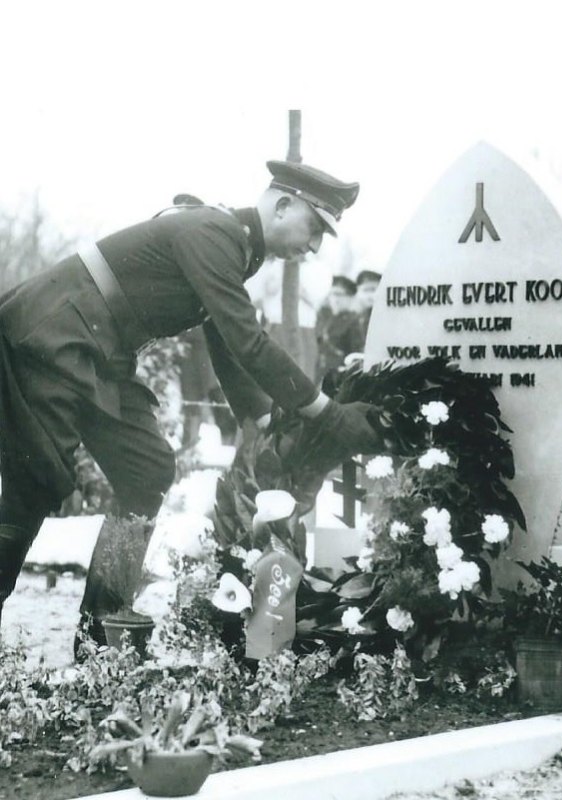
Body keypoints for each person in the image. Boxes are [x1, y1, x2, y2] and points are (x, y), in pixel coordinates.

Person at [0, 159, 382, 644]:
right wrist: (325, 412)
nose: (311, 248)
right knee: (34, 486)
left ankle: (102, 632)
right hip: (54, 334)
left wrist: (257, 416)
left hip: (100, 353)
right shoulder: (214, 231)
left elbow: (225, 342)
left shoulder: (236, 247)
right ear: (283, 205)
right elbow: (248, 341)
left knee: (147, 471)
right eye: (314, 230)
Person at [315, 275, 361, 385]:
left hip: (338, 377)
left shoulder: (354, 321)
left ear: (350, 297)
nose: (335, 299)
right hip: (318, 374)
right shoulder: (323, 317)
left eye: (339, 294)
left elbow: (356, 353)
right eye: (332, 294)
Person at [348, 269, 382, 352]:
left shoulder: (385, 317)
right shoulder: (356, 318)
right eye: (365, 290)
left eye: (373, 290)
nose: (369, 296)